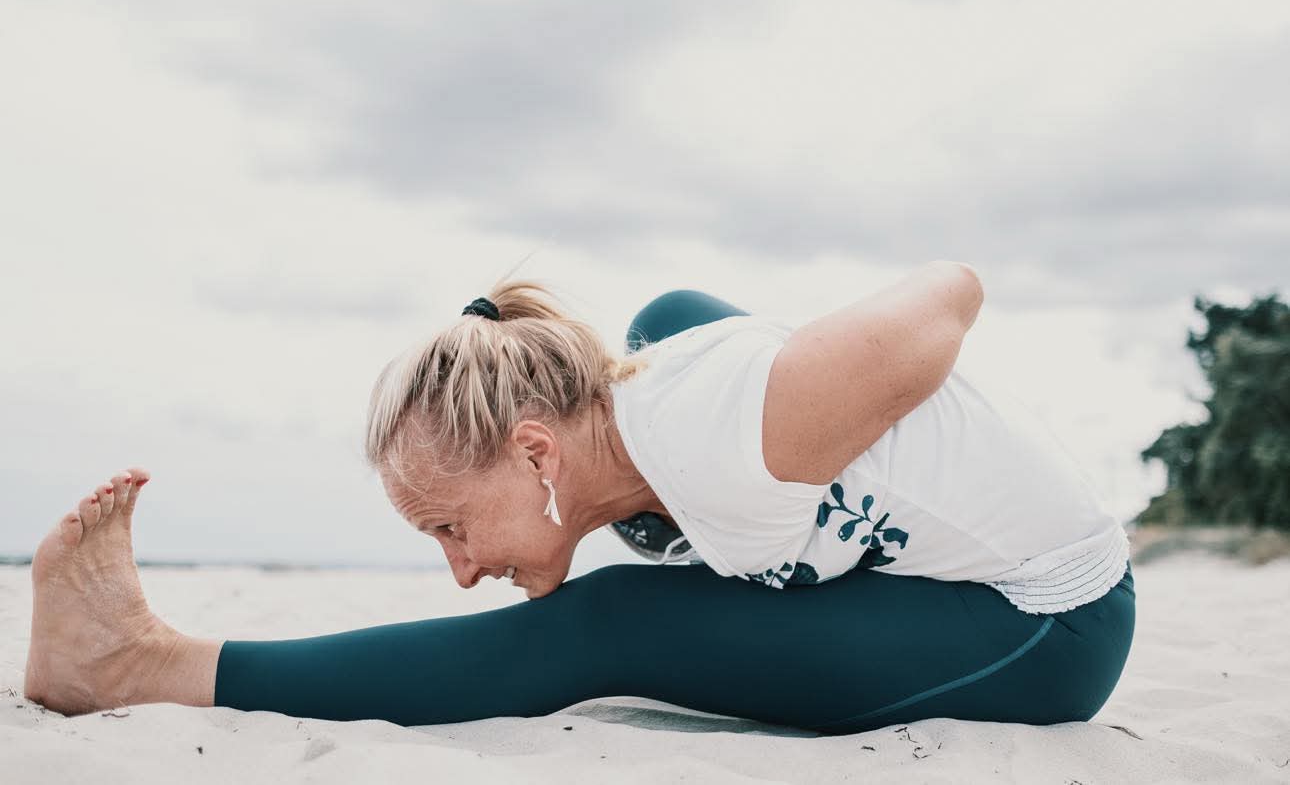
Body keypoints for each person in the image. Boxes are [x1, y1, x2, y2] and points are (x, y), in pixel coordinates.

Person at [23, 262, 1135, 734]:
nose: (462, 569)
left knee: (610, 619)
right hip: (883, 549)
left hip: (1049, 616)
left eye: (453, 527)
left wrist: (811, 383)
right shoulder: (640, 417)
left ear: (541, 454)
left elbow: (956, 290)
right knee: (669, 311)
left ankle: (139, 662)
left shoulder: (740, 432)